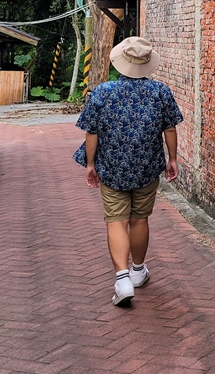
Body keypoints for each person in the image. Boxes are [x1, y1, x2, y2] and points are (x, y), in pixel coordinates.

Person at [73, 36, 183, 306]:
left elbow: (92, 132)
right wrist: (173, 159)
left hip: (111, 166)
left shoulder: (102, 92)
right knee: (139, 219)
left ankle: (122, 279)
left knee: (115, 220)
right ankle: (137, 271)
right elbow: (170, 128)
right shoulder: (160, 92)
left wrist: (90, 164)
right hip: (147, 165)